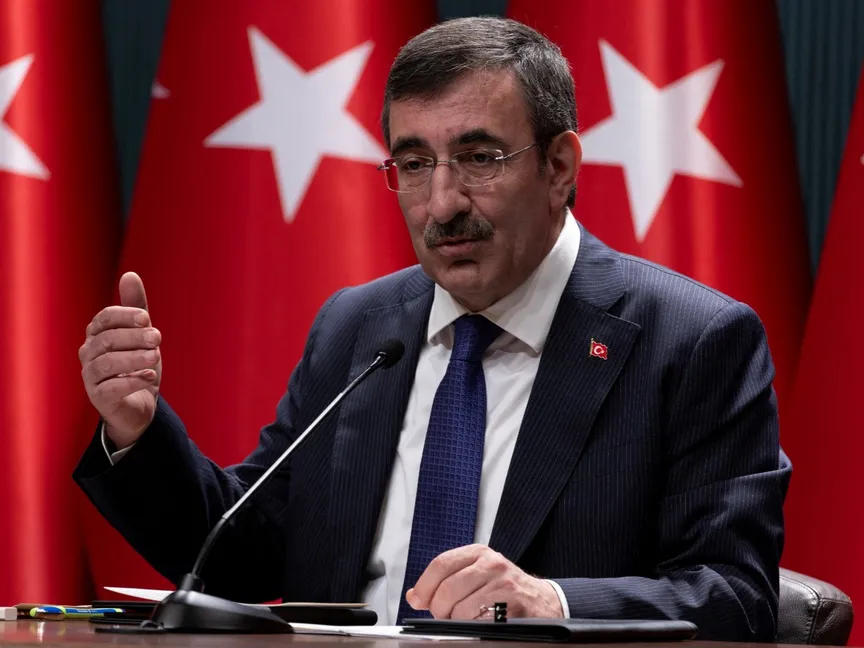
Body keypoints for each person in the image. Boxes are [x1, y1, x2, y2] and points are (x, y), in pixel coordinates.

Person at [74, 16, 791, 640]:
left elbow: (736, 596)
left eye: (479, 159)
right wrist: (137, 431)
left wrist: (553, 603)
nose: (441, 203)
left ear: (559, 166)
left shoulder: (691, 341)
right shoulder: (357, 327)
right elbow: (243, 552)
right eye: (414, 164)